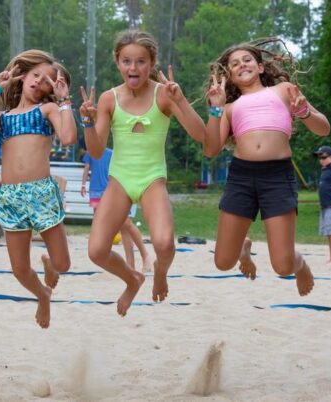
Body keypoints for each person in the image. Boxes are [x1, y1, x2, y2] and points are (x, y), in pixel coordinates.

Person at [79, 30, 206, 316]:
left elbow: (201, 134)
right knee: (96, 251)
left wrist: (181, 100)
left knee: (164, 244)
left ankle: (159, 272)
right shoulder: (110, 99)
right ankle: (132, 279)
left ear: (152, 63)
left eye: (140, 62)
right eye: (126, 61)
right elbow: (97, 151)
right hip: (119, 180)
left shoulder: (164, 95)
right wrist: (87, 121)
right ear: (117, 62)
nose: (133, 68)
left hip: (151, 179)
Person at [202, 39, 330, 296]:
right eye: (234, 64)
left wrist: (305, 112)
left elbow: (323, 128)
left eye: (247, 60)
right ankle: (242, 248)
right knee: (222, 262)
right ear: (230, 76)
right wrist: (215, 109)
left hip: (277, 177)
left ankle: (301, 264)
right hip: (241, 176)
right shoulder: (228, 108)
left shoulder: (284, 90)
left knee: (283, 266)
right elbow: (210, 150)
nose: (242, 65)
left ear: (260, 67)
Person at [0, 49, 76, 328]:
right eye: (35, 75)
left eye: (47, 80)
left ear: (51, 89)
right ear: (23, 76)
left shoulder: (47, 110)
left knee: (63, 264)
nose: (39, 81)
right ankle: (42, 295)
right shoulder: (3, 117)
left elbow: (67, 137)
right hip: (10, 196)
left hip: (41, 192)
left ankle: (50, 262)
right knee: (19, 270)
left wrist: (64, 100)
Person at [81, 147, 153, 273]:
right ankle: (131, 265)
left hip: (122, 187)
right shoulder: (96, 152)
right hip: (108, 190)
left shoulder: (115, 153)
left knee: (126, 224)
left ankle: (144, 256)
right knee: (120, 228)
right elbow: (88, 167)